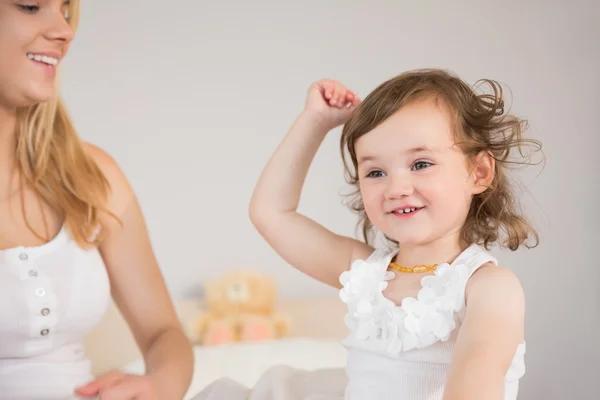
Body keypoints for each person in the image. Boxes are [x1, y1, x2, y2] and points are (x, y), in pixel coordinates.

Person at [247, 69, 541, 399]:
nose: (396, 188)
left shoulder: (489, 287)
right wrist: (314, 121)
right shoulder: (362, 272)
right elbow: (270, 213)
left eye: (420, 164)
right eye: (375, 172)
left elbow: (478, 372)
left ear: (479, 172)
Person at [0, 1, 193, 399]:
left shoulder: (91, 175)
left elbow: (164, 333)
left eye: (65, 10)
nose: (65, 31)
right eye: (31, 6)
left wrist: (158, 385)